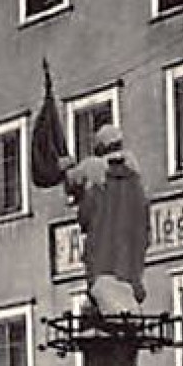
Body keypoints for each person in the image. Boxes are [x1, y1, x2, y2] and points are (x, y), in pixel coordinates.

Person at [60, 123, 150, 317]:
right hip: (129, 267)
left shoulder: (94, 168)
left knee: (103, 298)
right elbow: (144, 227)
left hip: (102, 259)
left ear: (100, 147)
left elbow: (72, 185)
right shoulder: (135, 177)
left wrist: (67, 166)